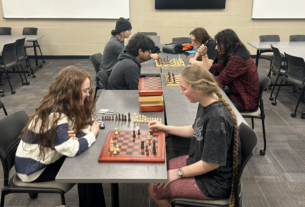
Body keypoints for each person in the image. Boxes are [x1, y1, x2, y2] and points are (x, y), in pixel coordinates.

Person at [147, 65, 241, 207]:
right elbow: (194, 130)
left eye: (184, 88)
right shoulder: (205, 101)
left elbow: (211, 163)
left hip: (213, 183)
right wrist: (164, 128)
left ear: (199, 89)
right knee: (160, 172)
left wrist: (178, 173)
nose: (181, 92)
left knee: (154, 188)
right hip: (200, 163)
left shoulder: (217, 118)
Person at [15, 66, 106, 207]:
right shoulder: (56, 114)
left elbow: (86, 122)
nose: (88, 94)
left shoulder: (67, 104)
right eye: (84, 91)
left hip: (44, 157)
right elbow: (72, 149)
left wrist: (77, 134)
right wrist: (92, 133)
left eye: (89, 90)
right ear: (71, 92)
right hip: (33, 169)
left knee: (86, 161)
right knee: (86, 170)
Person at [198, 29, 259, 112]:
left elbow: (219, 82)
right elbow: (213, 69)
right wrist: (204, 55)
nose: (216, 48)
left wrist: (196, 87)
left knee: (208, 103)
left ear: (226, 44)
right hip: (236, 93)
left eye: (218, 45)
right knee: (206, 96)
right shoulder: (233, 52)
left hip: (244, 102)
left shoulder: (237, 59)